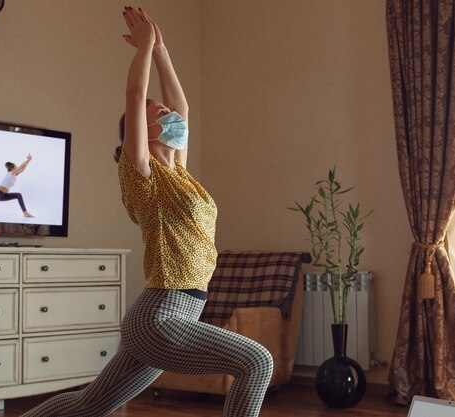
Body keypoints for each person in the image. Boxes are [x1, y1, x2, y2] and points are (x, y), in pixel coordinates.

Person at [20, 6, 273, 417]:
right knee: (257, 362)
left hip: (175, 312)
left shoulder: (181, 175)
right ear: (143, 130)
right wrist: (143, 47)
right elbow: (136, 96)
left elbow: (184, 107)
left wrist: (161, 50)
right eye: (161, 115)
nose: (173, 117)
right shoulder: (142, 173)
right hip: (161, 316)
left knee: (89, 406)